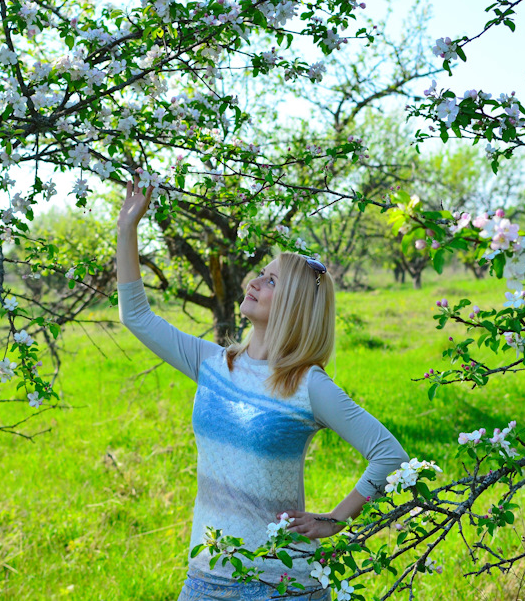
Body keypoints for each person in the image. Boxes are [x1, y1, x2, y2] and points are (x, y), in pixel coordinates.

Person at [116, 177, 409, 600]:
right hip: (206, 576)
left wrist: (335, 520)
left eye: (271, 281)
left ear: (294, 304)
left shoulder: (309, 386)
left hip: (282, 584)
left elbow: (390, 455)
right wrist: (127, 231)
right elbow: (137, 316)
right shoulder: (213, 364)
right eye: (261, 274)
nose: (254, 281)